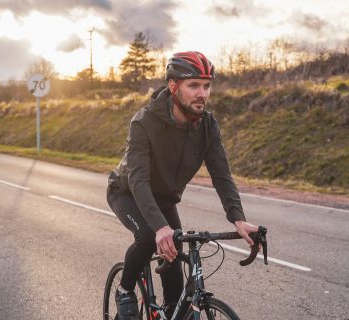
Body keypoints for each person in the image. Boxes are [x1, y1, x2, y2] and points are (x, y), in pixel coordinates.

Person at [106, 51, 259, 320]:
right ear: (174, 87)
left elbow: (221, 175)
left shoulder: (207, 125)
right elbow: (138, 179)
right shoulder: (144, 121)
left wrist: (239, 219)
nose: (202, 93)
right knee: (147, 238)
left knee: (175, 271)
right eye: (194, 85)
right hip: (127, 192)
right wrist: (160, 228)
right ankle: (125, 290)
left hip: (164, 199)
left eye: (207, 85)